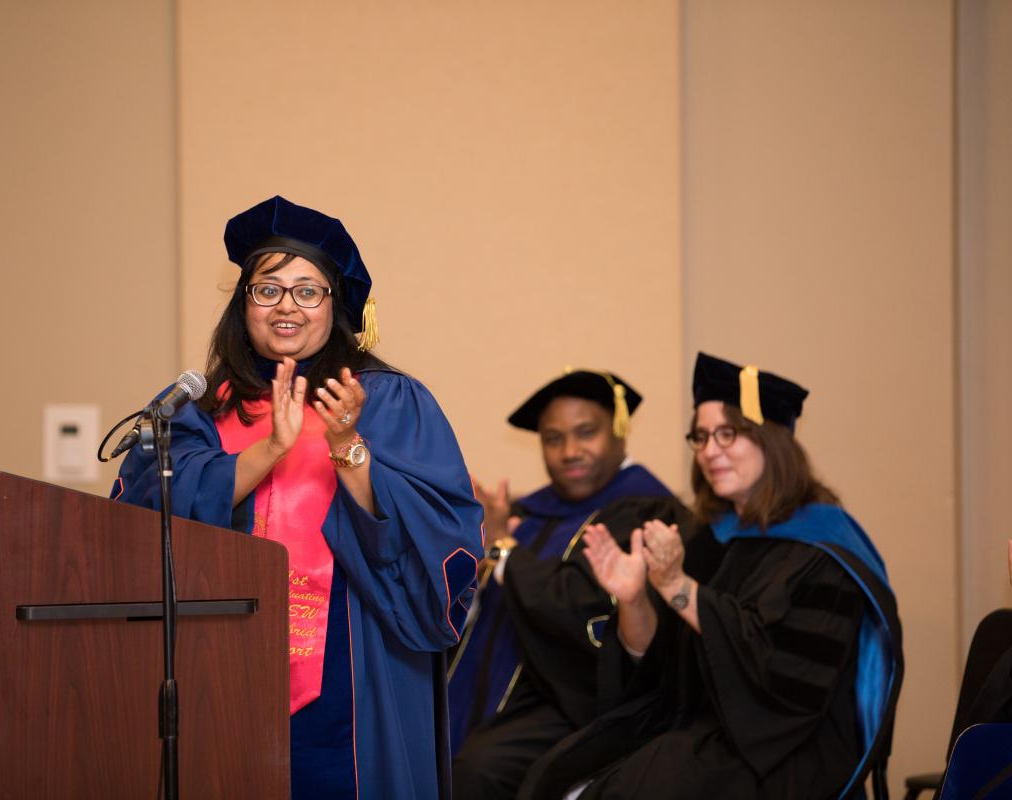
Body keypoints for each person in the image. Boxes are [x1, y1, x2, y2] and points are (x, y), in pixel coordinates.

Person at [112, 195, 484, 800]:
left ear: (335, 307)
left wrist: (346, 446)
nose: (286, 305)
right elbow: (144, 510)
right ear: (244, 304)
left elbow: (439, 532)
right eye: (268, 289)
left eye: (307, 290)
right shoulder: (199, 406)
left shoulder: (388, 401)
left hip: (356, 656)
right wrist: (268, 451)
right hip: (218, 662)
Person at [518, 352, 903, 800]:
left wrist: (679, 588)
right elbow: (659, 667)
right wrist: (633, 600)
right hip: (699, 730)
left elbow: (784, 683)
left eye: (728, 434)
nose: (709, 450)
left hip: (782, 749)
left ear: (771, 441)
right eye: (700, 437)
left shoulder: (822, 550)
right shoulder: (707, 539)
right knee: (553, 776)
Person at [449, 369, 719, 798]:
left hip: (582, 704)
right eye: (553, 439)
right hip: (502, 701)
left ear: (619, 433)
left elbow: (585, 610)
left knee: (477, 770)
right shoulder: (531, 512)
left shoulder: (647, 513)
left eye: (585, 433)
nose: (569, 451)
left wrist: (502, 549)